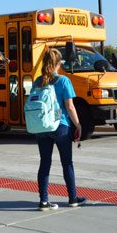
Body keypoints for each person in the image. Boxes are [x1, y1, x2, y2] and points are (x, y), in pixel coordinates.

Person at [33, 48, 86, 210]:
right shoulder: (64, 81)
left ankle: (43, 200)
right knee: (67, 163)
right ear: (58, 63)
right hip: (60, 126)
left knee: (45, 163)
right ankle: (72, 198)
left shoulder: (38, 81)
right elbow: (69, 107)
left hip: (42, 127)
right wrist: (78, 124)